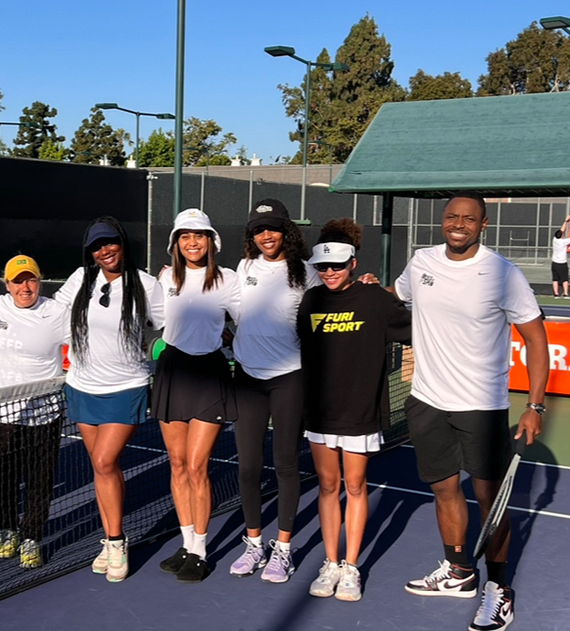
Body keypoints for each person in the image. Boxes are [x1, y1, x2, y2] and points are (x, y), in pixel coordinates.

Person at [394, 191, 548, 631]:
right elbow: (394, 297)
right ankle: (459, 571)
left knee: (491, 502)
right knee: (444, 490)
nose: (458, 223)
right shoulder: (421, 262)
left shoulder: (503, 274)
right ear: (443, 220)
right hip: (426, 401)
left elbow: (536, 340)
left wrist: (534, 406)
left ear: (483, 225)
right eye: (451, 216)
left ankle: (499, 590)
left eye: (468, 218)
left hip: (482, 407)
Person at [297, 219, 411, 602]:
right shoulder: (311, 302)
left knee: (355, 485)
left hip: (359, 412)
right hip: (319, 412)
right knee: (327, 487)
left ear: (353, 264)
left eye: (337, 265)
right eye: (322, 267)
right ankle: (330, 563)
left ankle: (350, 567)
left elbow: (416, 327)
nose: (329, 272)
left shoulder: (375, 299)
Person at [54, 217, 165, 583]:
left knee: (104, 460)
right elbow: (52, 316)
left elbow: (172, 322)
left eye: (111, 243)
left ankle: (117, 542)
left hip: (126, 387)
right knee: (103, 468)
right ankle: (109, 538)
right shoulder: (80, 280)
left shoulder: (147, 284)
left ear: (122, 243)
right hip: (83, 387)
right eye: (97, 246)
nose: (105, 251)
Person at [228, 198, 319, 583]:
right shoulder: (243, 268)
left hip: (289, 378)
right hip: (247, 378)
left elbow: (325, 315)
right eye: (259, 230)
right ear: (251, 236)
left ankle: (283, 549)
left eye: (274, 228)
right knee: (248, 467)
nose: (267, 235)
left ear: (287, 232)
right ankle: (254, 543)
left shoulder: (307, 273)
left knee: (284, 464)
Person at [153, 209, 239, 583]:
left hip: (208, 374)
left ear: (211, 241)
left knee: (196, 465)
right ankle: (187, 543)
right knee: (176, 464)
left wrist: (230, 338)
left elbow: (248, 319)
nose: (192, 242)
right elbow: (157, 321)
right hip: (172, 371)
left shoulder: (228, 279)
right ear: (176, 242)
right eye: (185, 236)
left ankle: (201, 551)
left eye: (199, 235)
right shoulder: (164, 277)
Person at [0, 255, 70, 569]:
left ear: (39, 280)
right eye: (18, 281)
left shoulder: (57, 313)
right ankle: (7, 529)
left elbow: (82, 346)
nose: (25, 287)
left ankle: (31, 536)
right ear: (7, 285)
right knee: (0, 475)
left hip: (43, 413)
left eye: (30, 279)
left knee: (39, 479)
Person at [551, 219, 570, 299]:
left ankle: (556, 294)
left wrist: (565, 221)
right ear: (562, 236)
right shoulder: (563, 242)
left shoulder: (554, 240)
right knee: (564, 279)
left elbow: (561, 230)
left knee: (555, 279)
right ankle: (565, 294)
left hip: (554, 263)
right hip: (562, 263)